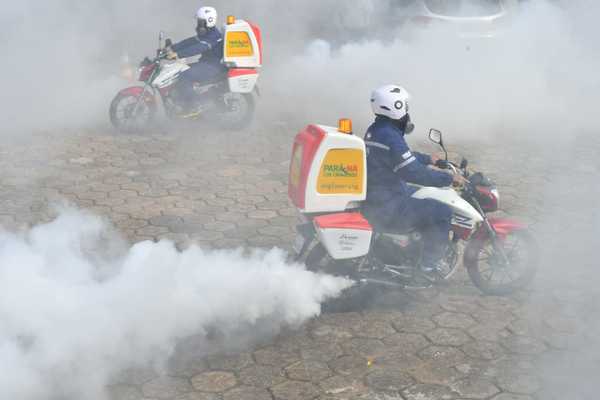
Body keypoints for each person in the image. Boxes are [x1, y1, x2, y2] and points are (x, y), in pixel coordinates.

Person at [364, 84, 466, 281]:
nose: (408, 112)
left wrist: (430, 159)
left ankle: (414, 247)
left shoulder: (377, 129)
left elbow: (402, 157)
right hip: (389, 205)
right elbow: (413, 172)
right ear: (396, 107)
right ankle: (429, 267)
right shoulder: (390, 136)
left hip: (382, 193)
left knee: (424, 196)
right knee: (441, 211)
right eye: (406, 107)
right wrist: (449, 179)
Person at [166, 6, 225, 113]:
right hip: (205, 64)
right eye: (198, 21)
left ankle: (194, 105)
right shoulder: (206, 33)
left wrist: (178, 54)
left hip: (212, 67)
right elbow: (191, 42)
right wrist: (173, 48)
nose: (198, 24)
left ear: (209, 21)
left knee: (184, 75)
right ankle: (181, 100)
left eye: (200, 22)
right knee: (177, 70)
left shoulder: (214, 36)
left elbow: (198, 48)